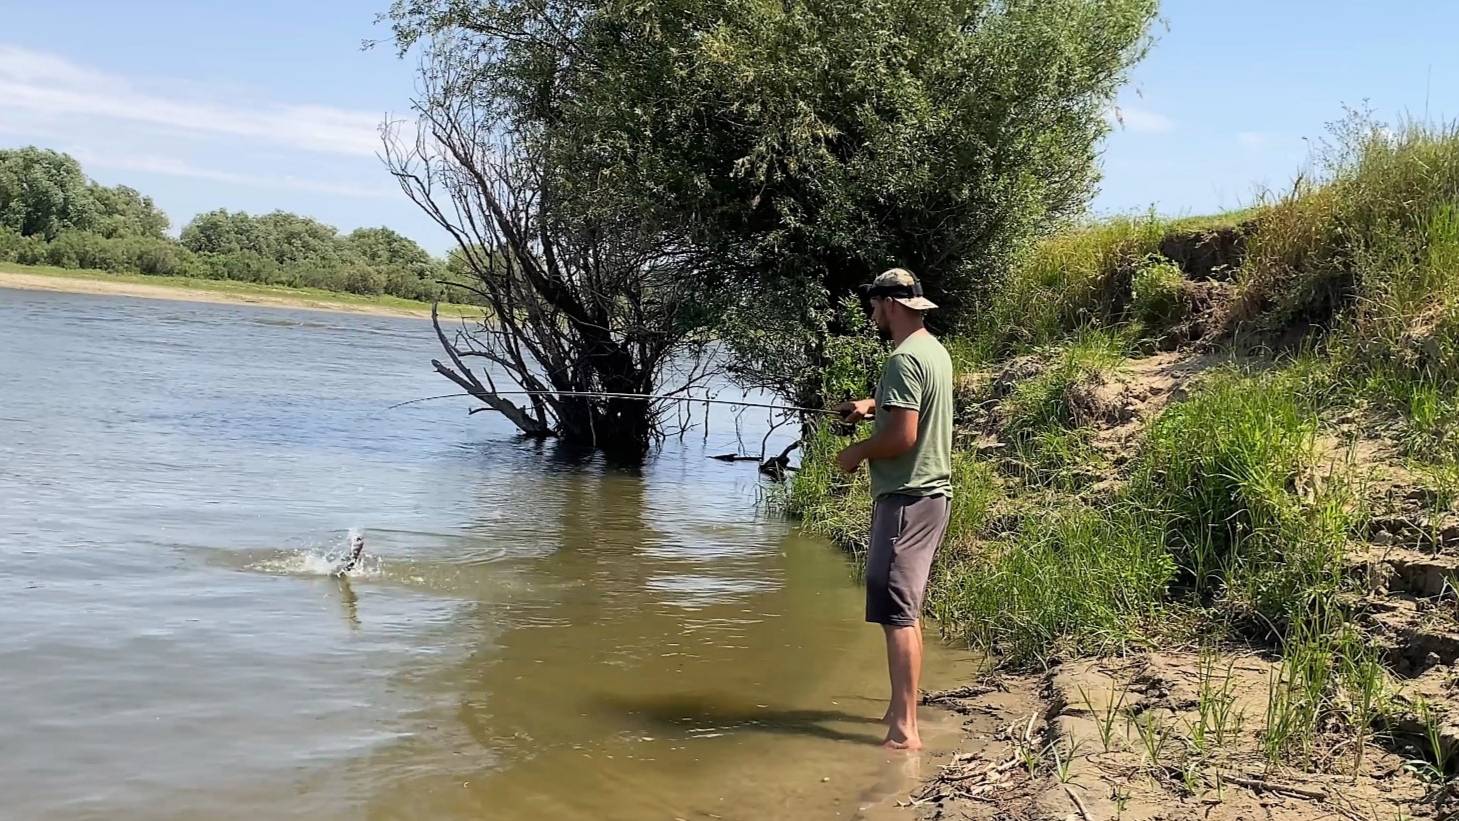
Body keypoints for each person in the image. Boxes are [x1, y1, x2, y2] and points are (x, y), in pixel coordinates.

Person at [834, 268, 953, 751]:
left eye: (875, 305)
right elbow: (906, 407)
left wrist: (856, 453)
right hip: (929, 496)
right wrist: (869, 405)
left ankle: (904, 731)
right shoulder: (932, 351)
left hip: (906, 498)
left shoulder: (903, 360)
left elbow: (902, 437)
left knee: (896, 611)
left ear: (891, 304)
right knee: (907, 607)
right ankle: (898, 708)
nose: (872, 314)